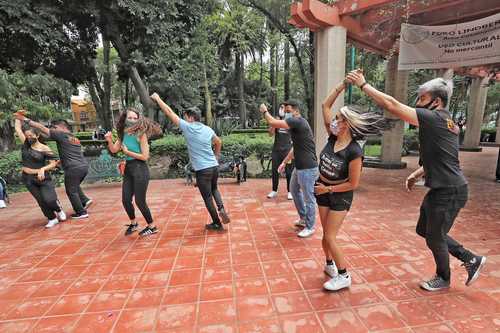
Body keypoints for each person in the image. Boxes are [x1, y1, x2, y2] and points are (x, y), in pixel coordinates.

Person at [346, 69, 486, 291]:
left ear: (436, 101)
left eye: (422, 98)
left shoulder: (433, 118)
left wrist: (363, 84)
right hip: (443, 188)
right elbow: (444, 156)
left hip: (449, 190)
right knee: (424, 230)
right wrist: (417, 173)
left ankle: (446, 275)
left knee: (435, 237)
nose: (417, 103)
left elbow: (392, 105)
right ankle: (469, 258)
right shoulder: (448, 122)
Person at [317, 81, 392, 291]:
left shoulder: (354, 152)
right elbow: (325, 105)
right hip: (321, 189)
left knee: (331, 236)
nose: (334, 120)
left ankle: (344, 275)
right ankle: (329, 264)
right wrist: (343, 84)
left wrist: (329, 189)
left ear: (347, 124)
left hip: (339, 194)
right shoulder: (332, 138)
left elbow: (353, 184)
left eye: (339, 118)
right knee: (325, 235)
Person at [150, 93, 230, 231]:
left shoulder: (188, 127)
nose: (184, 119)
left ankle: (217, 223)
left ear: (192, 118)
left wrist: (158, 99)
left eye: (186, 117)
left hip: (202, 170)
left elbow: (169, 112)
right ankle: (221, 208)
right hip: (214, 167)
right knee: (215, 188)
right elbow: (219, 142)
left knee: (207, 197)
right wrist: (216, 156)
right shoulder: (207, 129)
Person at [15, 114, 93, 219]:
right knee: (74, 185)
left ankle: (81, 212)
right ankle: (84, 200)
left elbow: (42, 128)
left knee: (71, 190)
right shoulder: (72, 136)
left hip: (73, 168)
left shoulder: (60, 134)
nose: (51, 130)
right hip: (82, 166)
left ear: (59, 127)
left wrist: (25, 119)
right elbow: (72, 153)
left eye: (52, 127)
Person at [260, 100, 318, 238]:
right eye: (285, 112)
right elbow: (295, 148)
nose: (285, 114)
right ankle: (303, 218)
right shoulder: (295, 126)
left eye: (288, 111)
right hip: (300, 167)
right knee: (294, 190)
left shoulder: (298, 121)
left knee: (309, 198)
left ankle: (310, 226)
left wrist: (264, 111)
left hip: (308, 168)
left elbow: (273, 123)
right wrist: (284, 162)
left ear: (296, 111)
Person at [105, 108, 161, 236]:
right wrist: (109, 140)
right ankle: (133, 223)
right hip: (129, 169)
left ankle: (152, 226)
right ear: (124, 119)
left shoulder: (141, 134)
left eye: (135, 118)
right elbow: (114, 150)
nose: (133, 120)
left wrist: (127, 152)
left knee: (140, 201)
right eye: (130, 118)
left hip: (140, 168)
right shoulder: (122, 133)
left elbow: (145, 156)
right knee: (125, 199)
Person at [13, 117, 66, 227]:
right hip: (28, 179)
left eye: (31, 136)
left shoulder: (44, 148)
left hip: (43, 178)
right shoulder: (26, 144)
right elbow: (18, 129)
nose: (28, 138)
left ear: (37, 136)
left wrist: (42, 169)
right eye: (27, 136)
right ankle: (52, 218)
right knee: (41, 201)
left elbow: (54, 163)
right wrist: (18, 116)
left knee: (49, 200)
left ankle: (58, 209)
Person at [267, 104, 294, 200]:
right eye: (281, 107)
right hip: (276, 149)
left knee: (289, 171)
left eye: (284, 108)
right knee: (275, 170)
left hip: (287, 150)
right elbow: (270, 134)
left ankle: (290, 191)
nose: (282, 109)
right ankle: (274, 190)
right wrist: (275, 122)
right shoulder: (276, 120)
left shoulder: (291, 120)